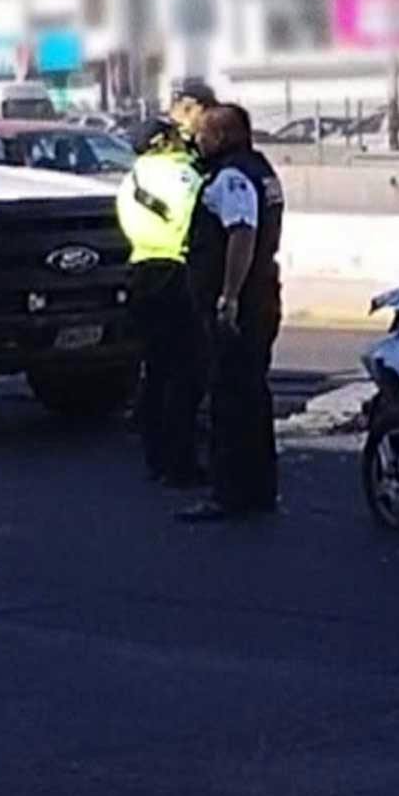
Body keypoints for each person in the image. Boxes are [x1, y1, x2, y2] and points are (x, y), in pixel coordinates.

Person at [179, 103, 285, 523]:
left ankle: (230, 493)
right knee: (253, 397)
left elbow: (242, 233)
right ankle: (258, 490)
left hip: (242, 304)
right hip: (261, 296)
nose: (197, 140)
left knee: (230, 399)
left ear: (222, 137)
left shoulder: (232, 177)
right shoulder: (261, 169)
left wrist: (228, 296)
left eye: (203, 133)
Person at [116, 119, 209, 488]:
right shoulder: (185, 175)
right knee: (187, 375)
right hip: (179, 274)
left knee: (156, 371)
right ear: (165, 141)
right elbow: (200, 221)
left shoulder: (131, 181)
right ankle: (181, 463)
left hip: (143, 273)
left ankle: (156, 459)